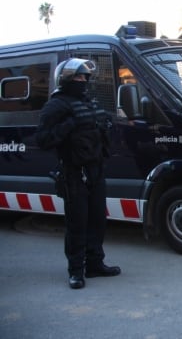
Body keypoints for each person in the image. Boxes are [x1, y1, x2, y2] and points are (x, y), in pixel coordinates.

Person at [36, 58, 121, 289]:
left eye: (85, 77)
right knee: (77, 224)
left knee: (98, 221)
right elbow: (42, 139)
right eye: (78, 76)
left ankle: (95, 264)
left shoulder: (89, 103)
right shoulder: (57, 105)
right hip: (74, 173)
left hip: (95, 171)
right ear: (65, 79)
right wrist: (68, 125)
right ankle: (76, 271)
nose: (83, 80)